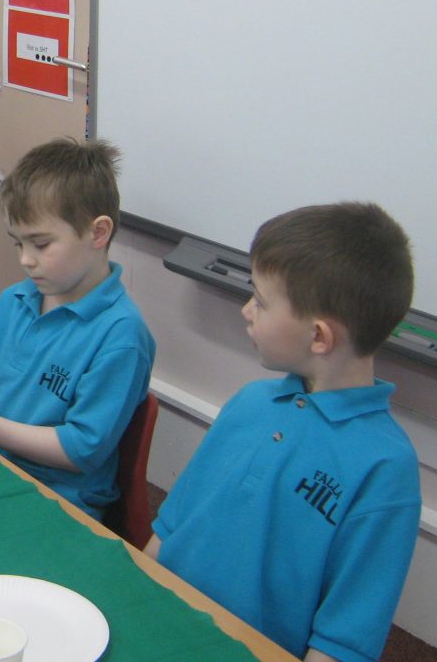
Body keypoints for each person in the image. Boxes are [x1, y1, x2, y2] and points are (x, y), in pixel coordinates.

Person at [144, 202, 420, 662]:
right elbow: (168, 530)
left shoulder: (385, 468)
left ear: (319, 337)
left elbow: (342, 641)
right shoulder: (251, 402)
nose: (246, 310)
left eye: (261, 301)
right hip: (158, 622)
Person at [0, 138, 155, 519]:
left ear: (98, 233)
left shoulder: (121, 336)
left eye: (41, 244)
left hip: (58, 502)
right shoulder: (15, 300)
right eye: (19, 244)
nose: (26, 260)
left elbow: (81, 449)